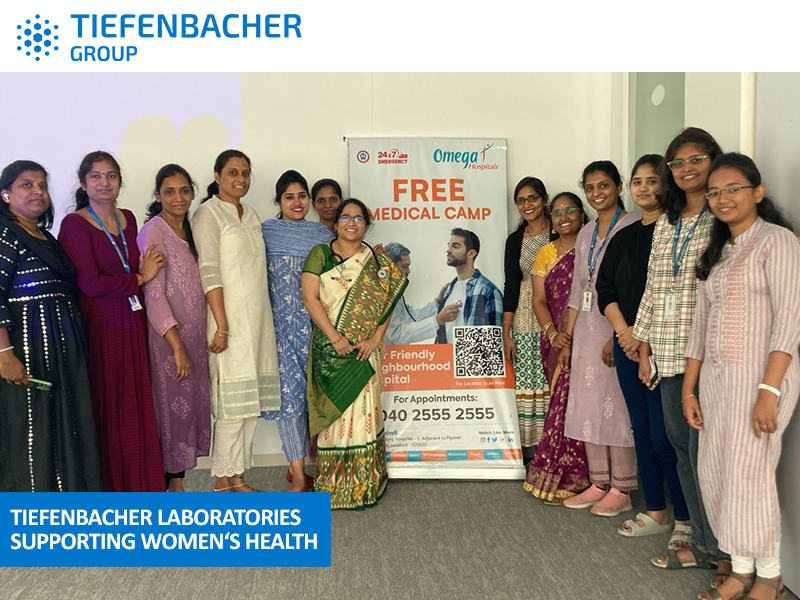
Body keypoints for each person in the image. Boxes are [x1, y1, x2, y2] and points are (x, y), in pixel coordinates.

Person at [683, 153, 799, 600]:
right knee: (718, 472)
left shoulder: (777, 241)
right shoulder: (719, 252)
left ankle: (769, 575)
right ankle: (741, 569)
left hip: (761, 381)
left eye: (733, 188)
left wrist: (769, 391)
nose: (722, 198)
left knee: (750, 475)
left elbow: (790, 320)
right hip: (717, 384)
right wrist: (689, 390)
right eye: (714, 192)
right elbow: (700, 325)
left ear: (758, 191)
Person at [631, 128, 728, 575]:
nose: (686, 169)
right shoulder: (667, 222)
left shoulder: (722, 215)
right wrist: (643, 346)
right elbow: (652, 287)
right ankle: (704, 543)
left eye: (696, 159)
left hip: (709, 356)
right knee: (682, 450)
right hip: (668, 354)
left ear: (713, 160)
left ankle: (725, 548)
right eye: (678, 162)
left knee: (709, 456)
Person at [596, 155, 690, 549]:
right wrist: (624, 333)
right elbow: (605, 290)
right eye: (638, 181)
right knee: (642, 430)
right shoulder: (624, 236)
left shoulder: (678, 233)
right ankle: (655, 510)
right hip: (628, 346)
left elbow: (671, 295)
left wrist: (641, 336)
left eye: (653, 180)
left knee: (666, 435)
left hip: (663, 349)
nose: (645, 188)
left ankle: (685, 518)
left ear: (667, 184)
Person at [58, 151, 165, 492]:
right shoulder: (74, 224)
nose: (104, 182)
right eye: (96, 176)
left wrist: (140, 277)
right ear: (83, 183)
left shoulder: (128, 218)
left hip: (133, 319)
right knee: (109, 402)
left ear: (120, 181)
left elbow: (136, 264)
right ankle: (112, 487)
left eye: (111, 176)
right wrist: (140, 278)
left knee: (136, 401)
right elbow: (90, 283)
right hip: (101, 324)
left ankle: (141, 483)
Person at [0, 160, 102, 492]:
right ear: (5, 194)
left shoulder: (45, 236)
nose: (37, 192)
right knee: (32, 430)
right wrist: (4, 354)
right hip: (26, 349)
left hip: (61, 349)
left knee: (64, 425)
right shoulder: (5, 234)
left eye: (42, 186)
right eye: (26, 185)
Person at [302, 198, 407, 509]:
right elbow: (310, 298)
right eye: (345, 217)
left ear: (366, 225)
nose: (351, 223)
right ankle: (333, 483)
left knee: (364, 417)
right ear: (335, 223)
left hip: (364, 352)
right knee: (334, 419)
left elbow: (388, 302)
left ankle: (364, 483)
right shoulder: (320, 254)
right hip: (331, 348)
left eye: (358, 218)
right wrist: (335, 338)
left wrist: (375, 338)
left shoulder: (377, 261)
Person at [192, 149, 281, 492]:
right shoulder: (208, 213)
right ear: (217, 176)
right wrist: (222, 325)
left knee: (250, 405)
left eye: (245, 173)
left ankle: (239, 477)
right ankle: (221, 481)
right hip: (227, 323)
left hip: (258, 322)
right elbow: (209, 271)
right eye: (232, 172)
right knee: (231, 408)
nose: (240, 179)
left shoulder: (251, 214)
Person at [559, 160, 640, 516]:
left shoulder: (634, 226)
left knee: (617, 406)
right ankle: (598, 482)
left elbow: (636, 287)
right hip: (586, 331)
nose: (596, 193)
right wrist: (568, 336)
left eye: (603, 185)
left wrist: (618, 335)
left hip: (619, 327)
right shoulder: (585, 232)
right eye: (590, 188)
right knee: (588, 406)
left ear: (619, 186)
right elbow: (578, 288)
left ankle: (622, 487)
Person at [137, 164, 211, 492]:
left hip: (195, 341)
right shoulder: (153, 232)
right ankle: (167, 486)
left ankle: (178, 483)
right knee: (170, 411)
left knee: (188, 411)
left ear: (193, 193)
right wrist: (177, 346)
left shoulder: (190, 230)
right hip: (168, 341)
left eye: (184, 191)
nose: (178, 198)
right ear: (158, 195)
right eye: (169, 192)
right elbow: (154, 295)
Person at [261, 169, 332, 492]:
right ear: (278, 201)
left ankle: (323, 466)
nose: (297, 202)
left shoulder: (321, 235)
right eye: (289, 197)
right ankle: (299, 475)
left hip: (317, 329)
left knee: (317, 399)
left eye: (302, 195)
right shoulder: (265, 232)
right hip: (278, 330)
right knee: (288, 402)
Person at [523, 192, 590, 504]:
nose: (564, 217)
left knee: (589, 404)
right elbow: (539, 300)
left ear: (581, 214)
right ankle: (562, 473)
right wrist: (553, 334)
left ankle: (593, 475)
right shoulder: (546, 254)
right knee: (562, 404)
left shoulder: (592, 247)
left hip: (590, 336)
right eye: (558, 212)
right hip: (556, 341)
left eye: (570, 210)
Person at [503, 176, 552, 449]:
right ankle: (531, 448)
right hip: (523, 315)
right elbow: (511, 284)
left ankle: (554, 444)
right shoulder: (515, 240)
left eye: (532, 198)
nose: (527, 204)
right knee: (527, 378)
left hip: (555, 312)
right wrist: (506, 331)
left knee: (553, 374)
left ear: (544, 199)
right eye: (520, 201)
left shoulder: (560, 230)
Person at [434, 228, 503, 344]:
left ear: (471, 253)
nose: (448, 250)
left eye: (455, 246)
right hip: (446, 355)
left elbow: (496, 341)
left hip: (473, 356)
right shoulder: (447, 290)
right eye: (449, 246)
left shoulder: (487, 290)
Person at [384, 242, 458, 345]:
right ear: (389, 267)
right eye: (405, 266)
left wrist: (437, 303)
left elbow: (411, 317)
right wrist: (438, 320)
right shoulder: (382, 296)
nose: (408, 271)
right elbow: (398, 334)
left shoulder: (393, 293)